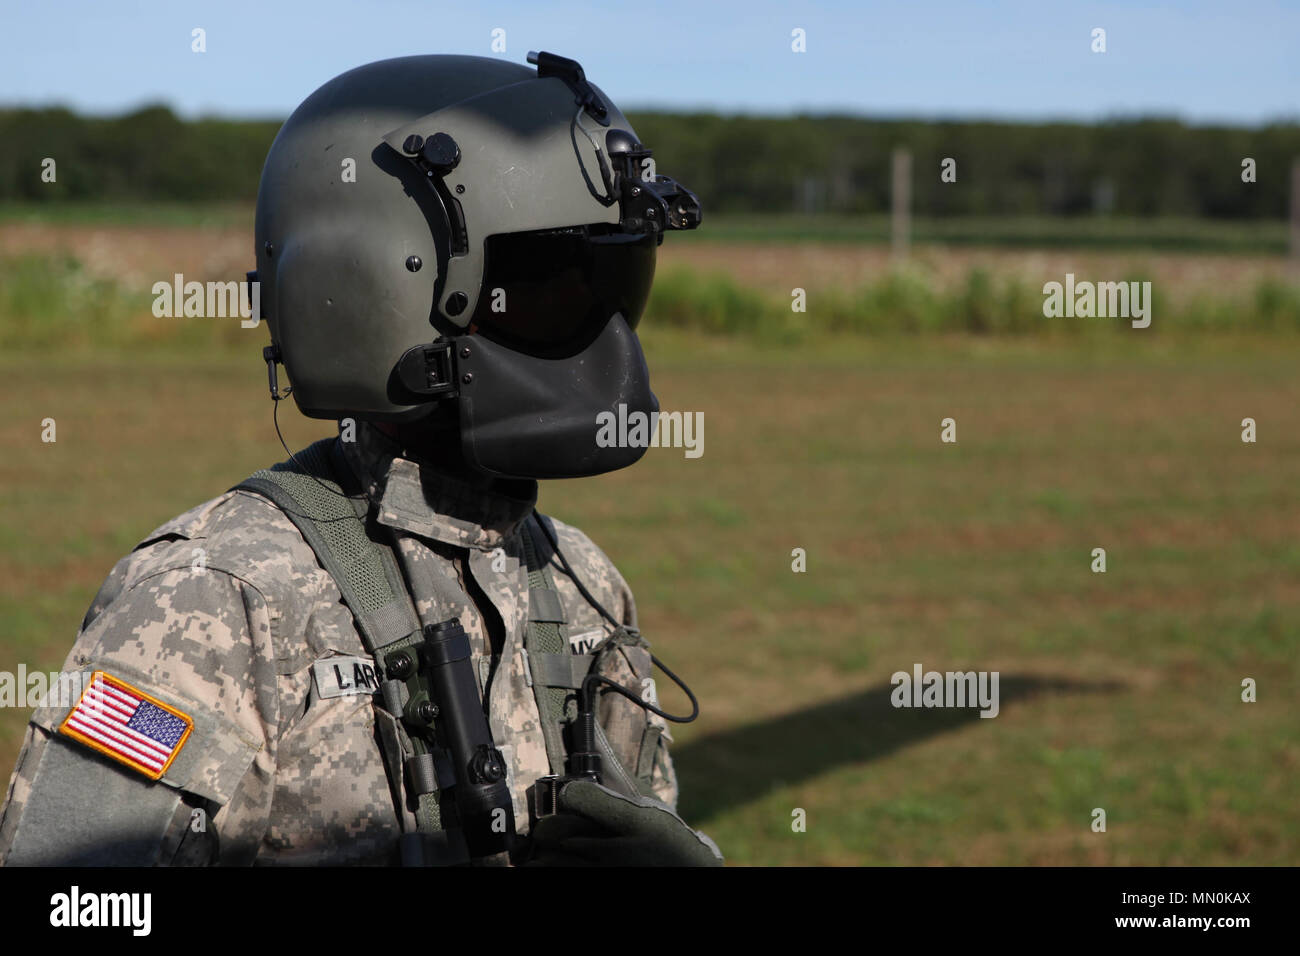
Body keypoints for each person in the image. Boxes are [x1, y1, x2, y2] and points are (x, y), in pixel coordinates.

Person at [0, 51, 720, 867]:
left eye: (611, 283)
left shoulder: (578, 580)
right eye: (548, 287)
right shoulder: (214, 601)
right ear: (371, 288)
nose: (605, 345)